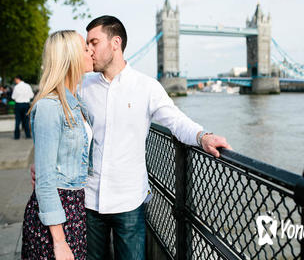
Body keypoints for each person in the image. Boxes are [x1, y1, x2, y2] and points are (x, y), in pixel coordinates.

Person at [81, 16, 232, 259]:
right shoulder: (83, 87)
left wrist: (203, 136)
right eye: (87, 44)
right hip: (89, 199)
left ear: (115, 43)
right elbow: (62, 121)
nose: (89, 51)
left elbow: (176, 120)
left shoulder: (147, 87)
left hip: (128, 201)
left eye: (94, 43)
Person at [22, 30, 93, 259]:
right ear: (71, 57)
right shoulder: (50, 107)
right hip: (56, 218)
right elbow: (45, 180)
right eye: (84, 48)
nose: (90, 51)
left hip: (75, 209)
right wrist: (60, 241)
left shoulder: (77, 103)